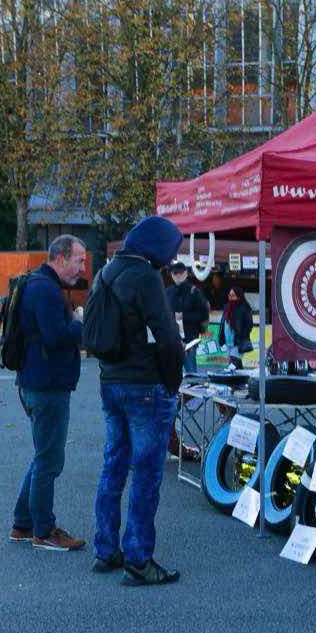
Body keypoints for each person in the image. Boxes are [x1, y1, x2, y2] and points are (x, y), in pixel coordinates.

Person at [94, 215, 185, 586]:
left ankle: (105, 549)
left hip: (110, 381)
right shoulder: (146, 277)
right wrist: (172, 382)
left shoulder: (105, 273)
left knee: (113, 466)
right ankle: (139, 558)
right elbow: (168, 337)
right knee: (146, 474)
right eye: (171, 250)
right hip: (144, 386)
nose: (172, 258)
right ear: (157, 247)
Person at [9, 235, 89, 552]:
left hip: (36, 382)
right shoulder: (45, 289)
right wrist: (79, 322)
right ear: (60, 257)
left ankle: (22, 524)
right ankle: (44, 530)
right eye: (79, 261)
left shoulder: (38, 284)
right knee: (50, 460)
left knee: (43, 455)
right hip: (47, 386)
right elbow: (56, 337)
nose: (82, 268)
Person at [164, 261, 209, 374]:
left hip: (189, 339)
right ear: (171, 275)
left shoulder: (194, 292)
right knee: (171, 374)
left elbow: (203, 314)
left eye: (180, 273)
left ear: (186, 273)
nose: (178, 276)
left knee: (191, 373)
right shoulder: (168, 292)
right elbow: (163, 313)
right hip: (172, 338)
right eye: (175, 273)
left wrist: (184, 316)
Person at [221, 286, 254, 368]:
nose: (230, 297)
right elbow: (223, 323)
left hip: (238, 342)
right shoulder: (227, 307)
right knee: (235, 365)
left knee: (232, 364)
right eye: (229, 295)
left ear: (238, 296)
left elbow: (249, 324)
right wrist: (221, 337)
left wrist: (242, 336)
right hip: (228, 341)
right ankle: (241, 374)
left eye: (233, 295)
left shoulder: (244, 308)